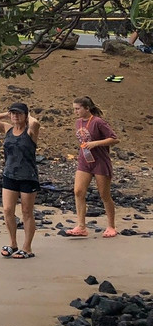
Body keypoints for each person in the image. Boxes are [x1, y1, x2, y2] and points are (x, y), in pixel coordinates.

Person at [0, 102, 41, 259]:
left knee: (26, 212)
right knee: (8, 210)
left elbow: (35, 122)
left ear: (25, 115)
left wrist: (27, 116)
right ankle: (13, 243)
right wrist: (5, 114)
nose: (15, 116)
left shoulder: (30, 131)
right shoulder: (8, 129)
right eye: (13, 113)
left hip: (28, 176)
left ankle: (27, 248)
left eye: (19, 113)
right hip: (9, 175)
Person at [67, 95, 120, 238]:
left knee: (104, 194)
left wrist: (95, 143)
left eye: (78, 109)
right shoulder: (78, 123)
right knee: (78, 191)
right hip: (84, 161)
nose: (75, 112)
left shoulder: (98, 122)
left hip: (100, 161)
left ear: (87, 108)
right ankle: (81, 226)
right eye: (74, 109)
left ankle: (111, 226)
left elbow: (115, 139)